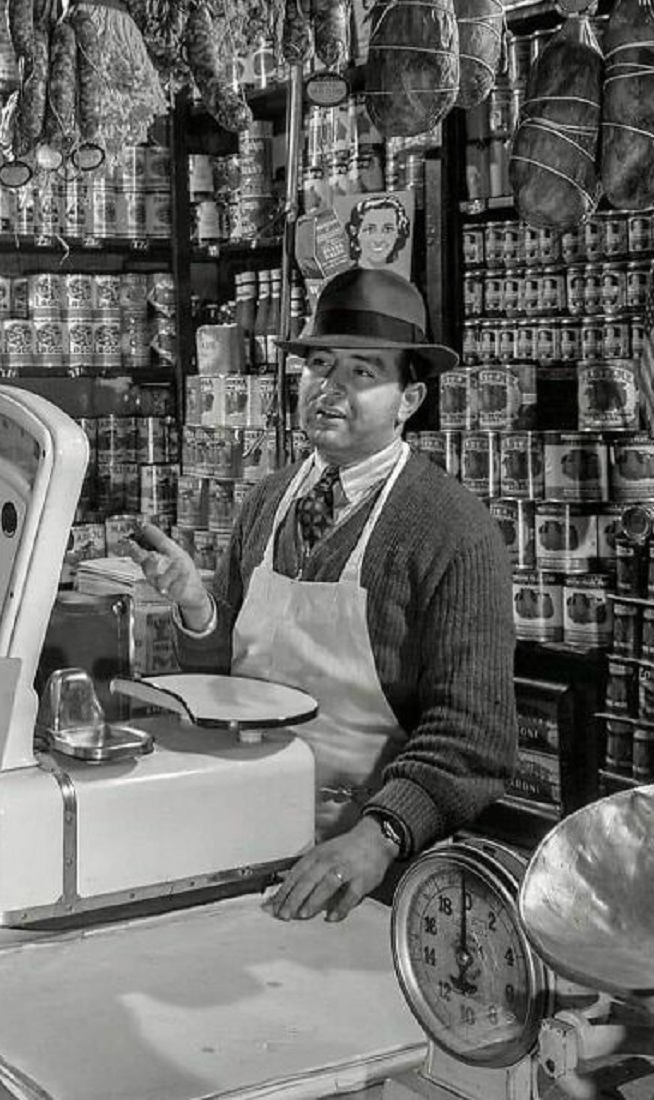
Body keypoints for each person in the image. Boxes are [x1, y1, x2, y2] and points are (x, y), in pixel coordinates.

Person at [129, 267, 516, 923]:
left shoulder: (452, 528)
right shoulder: (268, 500)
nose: (330, 387)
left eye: (362, 372)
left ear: (409, 399)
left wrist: (379, 835)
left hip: (372, 872)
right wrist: (197, 607)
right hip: (239, 831)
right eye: (318, 364)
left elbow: (473, 735)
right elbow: (231, 673)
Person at [346, 194, 411, 268]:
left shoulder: (398, 277)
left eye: (388, 229)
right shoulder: (345, 278)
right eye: (370, 229)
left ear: (398, 233)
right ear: (355, 232)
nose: (378, 239)